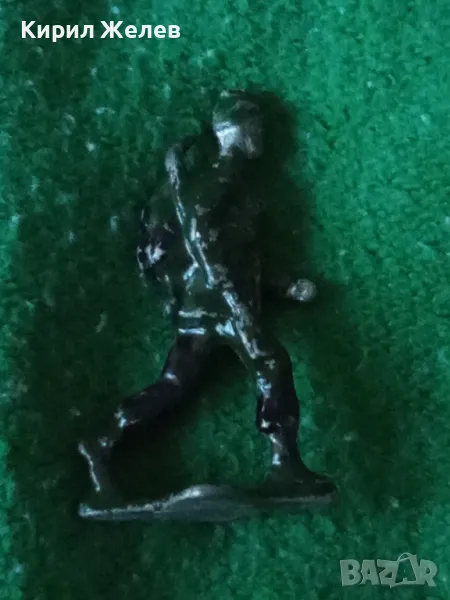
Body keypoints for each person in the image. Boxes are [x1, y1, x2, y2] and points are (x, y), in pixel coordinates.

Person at [78, 89, 337, 520]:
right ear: (239, 131)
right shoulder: (224, 175)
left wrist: (284, 285)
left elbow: (233, 254)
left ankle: (103, 442)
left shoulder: (225, 185)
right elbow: (202, 237)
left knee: (175, 385)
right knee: (269, 363)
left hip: (207, 305)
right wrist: (236, 303)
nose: (260, 138)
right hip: (221, 306)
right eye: (256, 129)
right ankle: (286, 464)